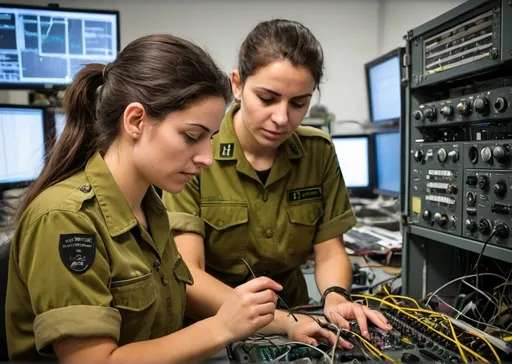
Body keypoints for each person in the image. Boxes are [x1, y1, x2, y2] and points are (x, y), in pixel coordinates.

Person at [5, 34, 288, 362]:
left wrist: (276, 322)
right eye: (192, 137)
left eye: (209, 139)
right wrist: (221, 328)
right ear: (135, 120)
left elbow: (177, 293)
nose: (206, 158)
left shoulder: (149, 205)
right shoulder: (66, 220)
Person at [162, 19, 392, 346]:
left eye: (299, 103)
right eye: (268, 98)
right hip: (213, 324)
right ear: (237, 85)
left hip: (297, 316)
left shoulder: (318, 152)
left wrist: (336, 298)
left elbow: (329, 252)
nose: (283, 118)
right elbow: (190, 275)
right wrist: (281, 322)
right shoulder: (199, 152)